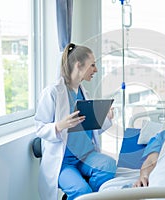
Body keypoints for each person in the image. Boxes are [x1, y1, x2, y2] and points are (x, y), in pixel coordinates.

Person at [34, 43, 116, 200]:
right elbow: (39, 127)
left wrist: (105, 118)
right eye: (92, 65)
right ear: (79, 65)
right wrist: (59, 126)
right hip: (63, 161)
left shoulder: (84, 93)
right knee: (82, 191)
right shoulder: (53, 92)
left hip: (86, 155)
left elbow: (90, 129)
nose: (95, 70)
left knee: (109, 166)